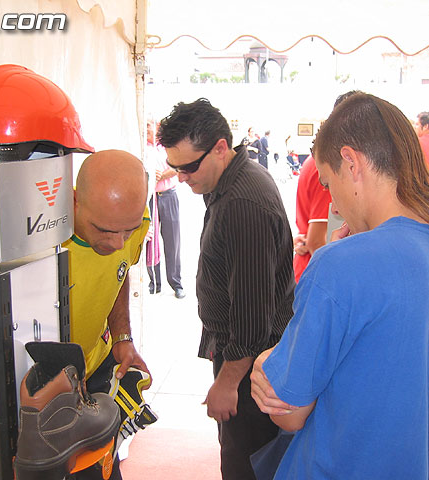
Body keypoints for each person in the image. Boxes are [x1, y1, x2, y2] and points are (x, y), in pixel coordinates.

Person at [250, 92, 429, 480]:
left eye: (328, 183)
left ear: (351, 162)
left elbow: (288, 411)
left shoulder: (340, 266)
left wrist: (265, 360)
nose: (335, 203)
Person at [157, 98, 295, 480]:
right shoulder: (232, 180)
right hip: (249, 356)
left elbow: (253, 316)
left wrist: (227, 383)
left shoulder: (242, 203)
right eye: (174, 168)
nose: (181, 178)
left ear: (221, 148)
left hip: (252, 366)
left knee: (245, 464)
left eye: (188, 167)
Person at [64, 150, 152, 479]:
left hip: (97, 371)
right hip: (45, 390)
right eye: (103, 230)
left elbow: (120, 269)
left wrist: (123, 338)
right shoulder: (42, 241)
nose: (117, 243)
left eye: (126, 232)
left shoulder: (135, 221)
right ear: (73, 202)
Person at [145, 121, 185, 298]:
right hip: (150, 198)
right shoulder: (141, 147)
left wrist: (161, 175)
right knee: (150, 240)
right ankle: (154, 282)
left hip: (168, 195)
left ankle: (176, 283)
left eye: (149, 124)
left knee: (172, 241)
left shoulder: (167, 145)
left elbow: (177, 166)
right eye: (144, 124)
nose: (146, 128)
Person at [293, 155, 332, 282]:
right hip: (317, 276)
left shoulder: (314, 161)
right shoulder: (326, 167)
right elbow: (316, 242)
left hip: (307, 268)